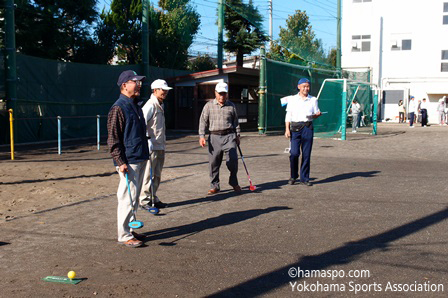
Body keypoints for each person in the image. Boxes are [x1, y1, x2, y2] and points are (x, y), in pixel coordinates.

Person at [107, 70, 149, 248]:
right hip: (128, 161)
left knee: (134, 197)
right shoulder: (118, 107)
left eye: (139, 82)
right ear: (125, 85)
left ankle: (130, 228)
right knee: (126, 197)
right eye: (135, 82)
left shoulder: (135, 105)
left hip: (139, 157)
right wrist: (120, 161)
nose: (139, 84)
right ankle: (124, 235)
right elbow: (113, 138)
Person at [198, 82, 241, 195]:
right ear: (215, 93)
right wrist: (202, 136)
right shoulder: (208, 106)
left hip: (229, 136)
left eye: (224, 94)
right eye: (220, 94)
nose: (222, 96)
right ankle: (215, 185)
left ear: (227, 94)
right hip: (214, 137)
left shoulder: (231, 106)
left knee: (233, 161)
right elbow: (203, 121)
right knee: (214, 163)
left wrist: (238, 135)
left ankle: (233, 181)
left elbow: (236, 122)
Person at [139, 79, 171, 210]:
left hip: (160, 145)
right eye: (162, 90)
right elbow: (141, 123)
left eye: (165, 90)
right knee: (148, 174)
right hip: (151, 146)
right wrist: (147, 140)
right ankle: (144, 200)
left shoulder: (160, 104)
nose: (164, 92)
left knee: (157, 174)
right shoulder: (150, 105)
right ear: (155, 90)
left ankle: (153, 196)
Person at [284, 78, 322, 186]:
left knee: (306, 154)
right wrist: (287, 129)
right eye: (304, 86)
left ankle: (305, 178)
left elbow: (315, 114)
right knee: (294, 153)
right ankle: (293, 175)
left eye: (308, 86)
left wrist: (317, 115)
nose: (306, 88)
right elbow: (288, 115)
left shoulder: (313, 99)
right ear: (299, 87)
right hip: (295, 128)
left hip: (308, 128)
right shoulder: (292, 99)